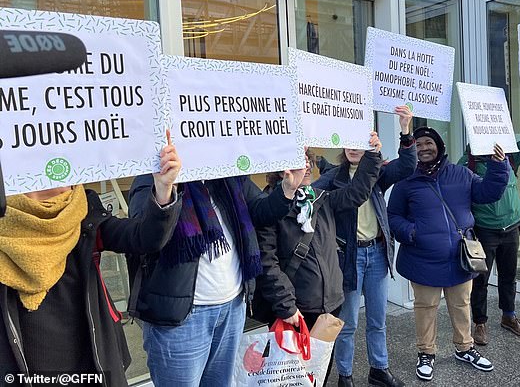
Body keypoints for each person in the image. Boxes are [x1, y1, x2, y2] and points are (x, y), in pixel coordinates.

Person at [0, 136, 182, 386]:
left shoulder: (83, 209)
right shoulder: (4, 222)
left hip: (92, 358)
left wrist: (163, 190)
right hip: (23, 366)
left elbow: (143, 237)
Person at [127, 159, 307, 387]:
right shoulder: (150, 176)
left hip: (232, 309)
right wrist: (163, 191)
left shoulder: (226, 171)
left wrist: (288, 189)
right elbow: (145, 236)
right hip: (181, 321)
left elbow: (261, 211)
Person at [254, 133, 384, 384]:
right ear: (280, 169)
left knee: (319, 373)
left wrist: (372, 154)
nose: (306, 166)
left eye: (307, 160)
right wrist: (286, 306)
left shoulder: (319, 198)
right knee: (291, 378)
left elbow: (356, 193)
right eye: (297, 160)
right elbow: (267, 263)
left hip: (329, 305)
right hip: (294, 311)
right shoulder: (266, 206)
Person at [387, 126, 509, 382]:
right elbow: (393, 215)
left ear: (439, 146)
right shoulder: (405, 181)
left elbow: (489, 192)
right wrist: (411, 232)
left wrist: (499, 166)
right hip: (422, 259)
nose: (423, 149)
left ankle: (465, 348)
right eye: (418, 145)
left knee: (461, 305)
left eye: (428, 143)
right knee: (426, 308)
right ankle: (426, 353)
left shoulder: (461, 174)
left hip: (459, 257)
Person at [311, 106, 416, 387]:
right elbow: (309, 196)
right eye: (349, 143)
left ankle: (378, 369)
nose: (353, 148)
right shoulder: (333, 177)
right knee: (347, 323)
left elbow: (407, 166)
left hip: (377, 253)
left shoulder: (378, 172)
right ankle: (345, 375)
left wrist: (406, 130)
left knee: (377, 319)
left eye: (359, 142)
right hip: (350, 256)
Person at [459, 97, 520, 345]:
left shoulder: (510, 157)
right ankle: (480, 323)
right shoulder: (468, 163)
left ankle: (509, 316)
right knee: (480, 279)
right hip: (485, 231)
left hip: (511, 227)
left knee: (508, 276)